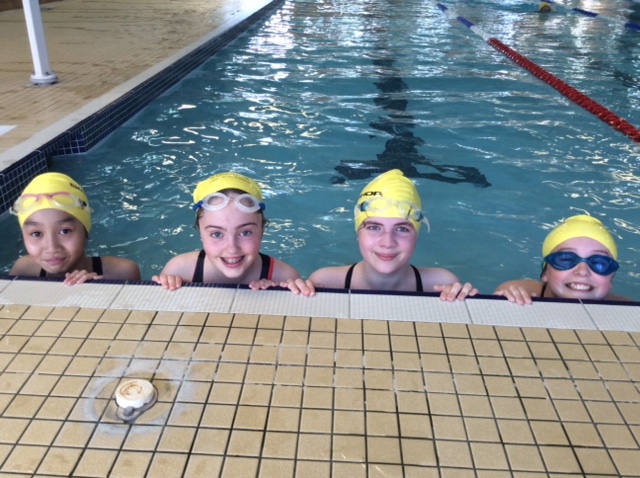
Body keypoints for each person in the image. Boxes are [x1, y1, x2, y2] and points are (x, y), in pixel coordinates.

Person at [292, 169, 477, 301]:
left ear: (416, 236)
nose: (387, 242)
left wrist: (462, 299)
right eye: (374, 227)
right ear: (358, 234)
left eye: (402, 229)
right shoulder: (326, 282)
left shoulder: (440, 284)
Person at [152, 172, 311, 292]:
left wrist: (277, 295)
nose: (232, 248)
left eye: (245, 232)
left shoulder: (283, 277)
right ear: (200, 233)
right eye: (216, 234)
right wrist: (173, 289)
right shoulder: (179, 269)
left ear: (262, 231)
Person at [10, 172, 141, 285]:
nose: (51, 247)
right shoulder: (23, 271)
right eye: (36, 233)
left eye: (64, 231)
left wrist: (103, 291)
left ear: (85, 231)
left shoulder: (122, 273)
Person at [494, 215, 633, 304]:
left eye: (599, 263)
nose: (583, 271)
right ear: (545, 273)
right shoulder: (520, 294)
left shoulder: (630, 311)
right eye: (566, 260)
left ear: (610, 280)